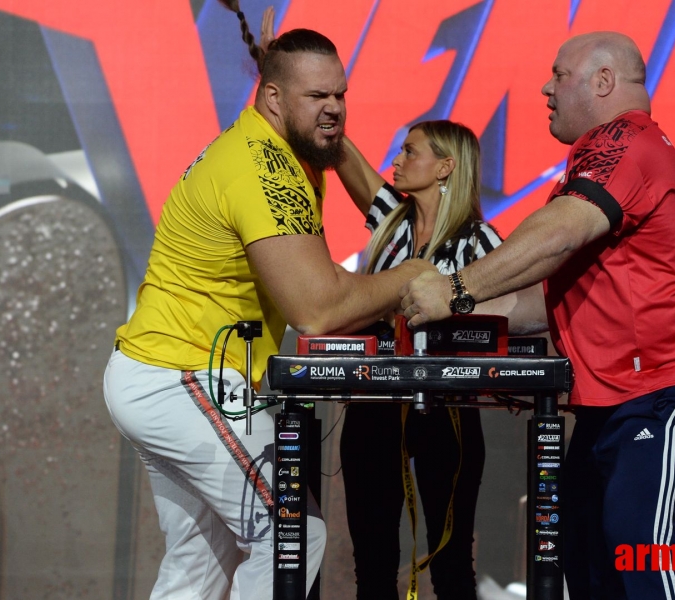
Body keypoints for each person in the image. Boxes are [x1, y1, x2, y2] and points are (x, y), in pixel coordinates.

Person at [101, 2, 434, 598]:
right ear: (274, 99)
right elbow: (318, 308)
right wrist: (412, 275)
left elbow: (368, 205)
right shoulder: (263, 169)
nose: (334, 108)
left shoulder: (284, 147)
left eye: (341, 94)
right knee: (293, 533)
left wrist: (323, 118)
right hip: (178, 378)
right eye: (316, 97)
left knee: (201, 560)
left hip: (168, 376)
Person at [400, 31, 675, 600]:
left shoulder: (626, 144)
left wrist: (454, 288)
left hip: (666, 387)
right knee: (585, 563)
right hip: (617, 400)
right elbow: (543, 301)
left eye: (559, 75)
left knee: (645, 555)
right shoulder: (605, 158)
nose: (545, 87)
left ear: (604, 81)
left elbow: (558, 233)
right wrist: (452, 320)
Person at [336, 121, 502, 600]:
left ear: (446, 167)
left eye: (410, 152)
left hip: (447, 409)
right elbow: (344, 155)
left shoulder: (481, 242)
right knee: (372, 566)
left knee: (451, 567)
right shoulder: (392, 218)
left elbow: (514, 312)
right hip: (374, 406)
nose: (397, 160)